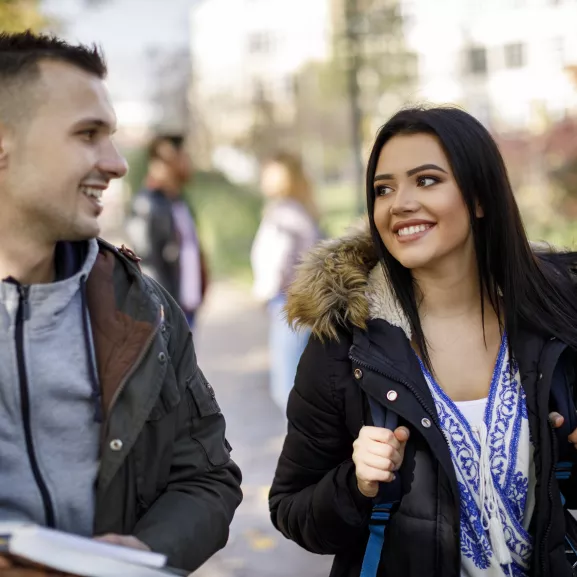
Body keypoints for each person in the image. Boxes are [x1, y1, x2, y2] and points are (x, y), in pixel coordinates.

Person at [269, 106, 577, 577]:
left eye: (427, 180)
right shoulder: (344, 342)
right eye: (383, 189)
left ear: (479, 196)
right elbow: (292, 510)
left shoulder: (557, 312)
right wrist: (357, 484)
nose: (400, 203)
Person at [0, 31, 242, 574]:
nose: (116, 163)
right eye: (88, 134)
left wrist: (144, 554)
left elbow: (207, 477)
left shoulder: (143, 308)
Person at [250, 152, 322, 411]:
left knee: (287, 388)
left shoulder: (283, 213)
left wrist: (264, 292)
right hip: (302, 302)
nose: (263, 178)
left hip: (289, 302)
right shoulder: (300, 210)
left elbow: (276, 260)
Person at [127, 134, 208, 329]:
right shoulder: (147, 204)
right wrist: (162, 307)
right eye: (176, 158)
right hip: (167, 311)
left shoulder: (178, 201)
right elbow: (146, 261)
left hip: (187, 304)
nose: (185, 163)